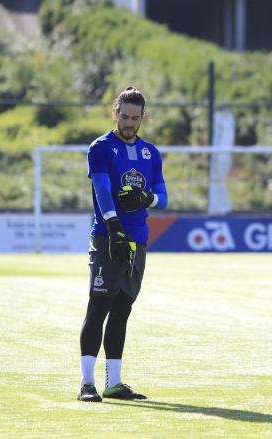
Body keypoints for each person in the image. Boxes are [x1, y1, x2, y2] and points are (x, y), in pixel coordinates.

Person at [77, 86, 168, 402]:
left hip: (138, 241)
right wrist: (114, 226)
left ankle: (113, 383)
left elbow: (163, 198)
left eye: (135, 117)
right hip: (107, 238)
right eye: (124, 116)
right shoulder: (100, 148)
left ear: (144, 116)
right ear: (115, 112)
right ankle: (86, 384)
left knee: (122, 310)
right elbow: (102, 190)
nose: (129, 123)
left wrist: (148, 198)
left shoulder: (151, 153)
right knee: (98, 306)